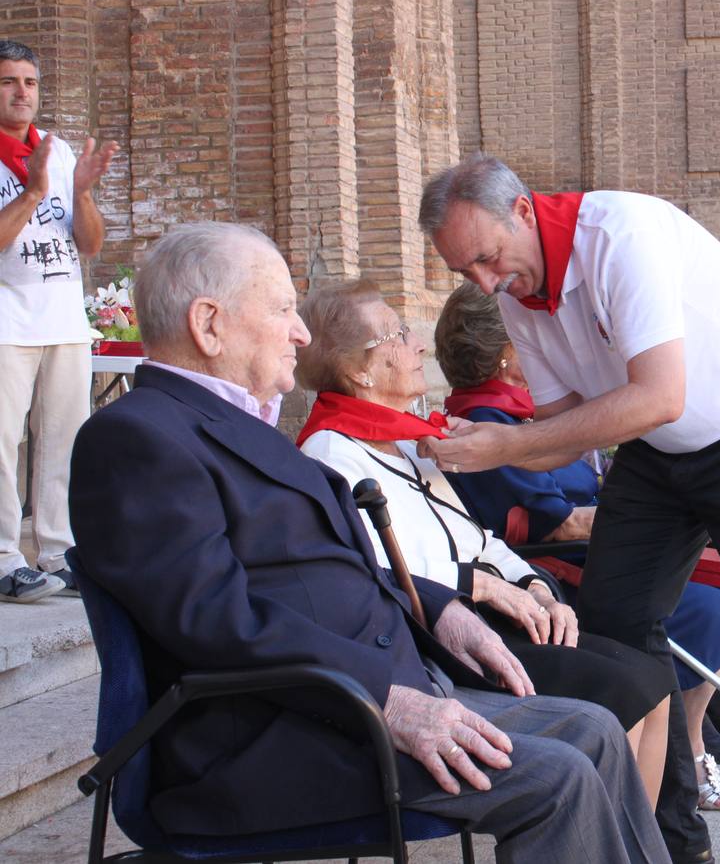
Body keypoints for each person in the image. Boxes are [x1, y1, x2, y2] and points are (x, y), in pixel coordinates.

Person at [67, 223, 667, 862]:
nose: (300, 333)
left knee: (595, 728)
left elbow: (337, 567)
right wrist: (387, 699)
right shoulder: (137, 438)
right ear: (209, 324)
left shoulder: (233, 424)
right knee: (559, 778)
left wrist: (442, 609)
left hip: (359, 694)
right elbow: (214, 620)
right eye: (280, 311)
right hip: (268, 734)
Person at [417, 156, 720, 864]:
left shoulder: (621, 231)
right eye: (463, 272)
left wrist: (511, 443)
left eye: (487, 258)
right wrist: (479, 446)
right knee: (616, 625)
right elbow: (567, 427)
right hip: (658, 444)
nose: (483, 282)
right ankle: (679, 844)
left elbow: (657, 395)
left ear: (525, 213)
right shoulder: (514, 295)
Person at [292, 279, 677, 809]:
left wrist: (532, 584)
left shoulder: (405, 439)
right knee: (626, 696)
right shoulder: (331, 452)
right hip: (442, 641)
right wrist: (486, 587)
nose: (418, 345)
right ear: (360, 369)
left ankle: (636, 844)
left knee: (653, 680)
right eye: (400, 335)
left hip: (496, 616)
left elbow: (475, 538)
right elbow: (379, 570)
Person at [431, 281, 720, 814]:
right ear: (509, 352)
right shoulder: (488, 419)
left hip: (592, 547)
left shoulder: (513, 409)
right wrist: (655, 518)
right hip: (560, 563)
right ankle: (690, 747)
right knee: (708, 601)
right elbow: (555, 524)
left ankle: (694, 732)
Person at [0, 39, 116, 602]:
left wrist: (83, 193)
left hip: (64, 320)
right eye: (9, 82)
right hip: (6, 324)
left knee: (63, 442)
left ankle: (55, 550)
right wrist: (35, 191)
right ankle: (2, 558)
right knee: (3, 443)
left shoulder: (60, 149)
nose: (22, 92)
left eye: (30, 82)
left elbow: (89, 245)